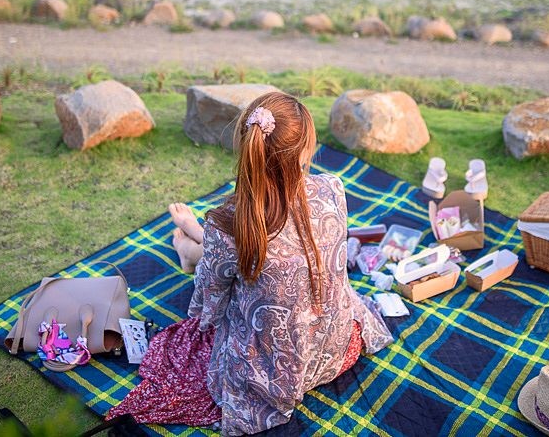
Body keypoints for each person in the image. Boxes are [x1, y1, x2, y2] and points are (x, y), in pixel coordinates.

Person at [108, 92, 393, 435]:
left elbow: (207, 304)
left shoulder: (231, 222)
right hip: (334, 349)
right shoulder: (333, 188)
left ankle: (193, 246)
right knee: (238, 260)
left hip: (270, 376)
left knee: (221, 269)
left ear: (247, 145)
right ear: (304, 152)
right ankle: (196, 243)